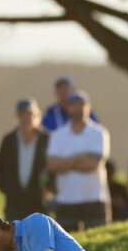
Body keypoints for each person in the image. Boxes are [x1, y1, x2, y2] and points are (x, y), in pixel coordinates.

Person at [46, 92, 111, 231]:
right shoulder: (58, 135)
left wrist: (64, 164)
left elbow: (93, 164)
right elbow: (52, 165)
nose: (78, 109)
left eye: (81, 105)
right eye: (74, 106)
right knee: (67, 249)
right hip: (66, 200)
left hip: (94, 199)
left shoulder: (99, 133)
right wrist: (79, 158)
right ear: (68, 108)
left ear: (88, 108)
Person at [0, 98, 50, 221]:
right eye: (22, 115)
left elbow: (54, 169)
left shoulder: (47, 139)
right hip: (14, 206)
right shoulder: (9, 140)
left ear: (37, 116)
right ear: (17, 117)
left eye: (29, 114)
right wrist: (8, 189)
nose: (26, 119)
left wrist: (49, 189)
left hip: (39, 205)